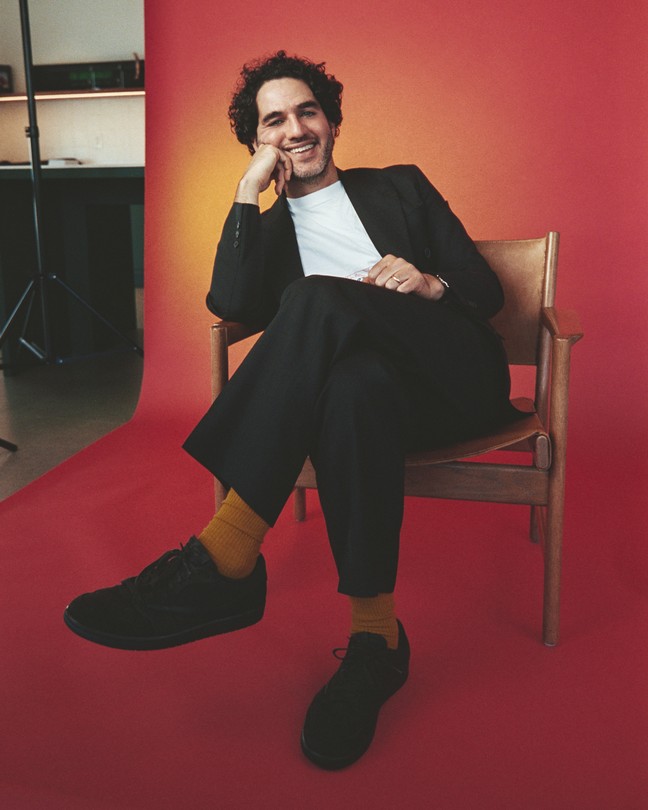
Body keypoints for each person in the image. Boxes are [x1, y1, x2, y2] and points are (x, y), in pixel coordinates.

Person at [64, 51, 520, 770]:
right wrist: (249, 193)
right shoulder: (269, 231)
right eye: (274, 121)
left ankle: (228, 552)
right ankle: (377, 643)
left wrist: (428, 280)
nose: (295, 128)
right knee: (352, 388)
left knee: (313, 300)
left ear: (331, 120)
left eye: (307, 111)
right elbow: (231, 304)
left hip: (454, 379)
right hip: (380, 404)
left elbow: (485, 290)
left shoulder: (400, 186)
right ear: (257, 141)